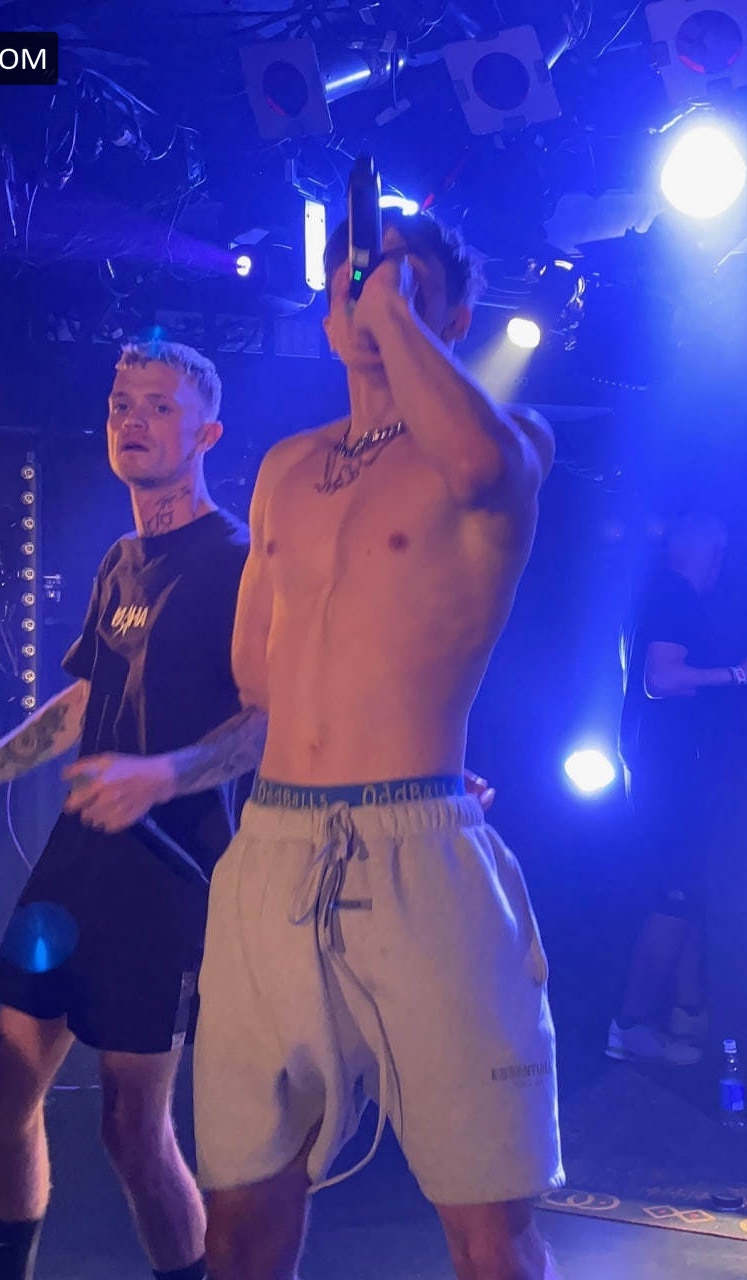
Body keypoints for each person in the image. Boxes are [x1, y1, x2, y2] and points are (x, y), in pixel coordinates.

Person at [192, 211, 563, 1280]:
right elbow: (258, 677)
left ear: (454, 314)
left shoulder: (508, 438)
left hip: (422, 850)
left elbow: (481, 467)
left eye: (405, 280)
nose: (372, 293)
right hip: (274, 848)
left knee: (489, 1235)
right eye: (353, 282)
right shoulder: (284, 466)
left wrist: (392, 313)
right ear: (324, 317)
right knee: (240, 1218)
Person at [0, 340, 267, 1280]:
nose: (132, 420)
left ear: (207, 434)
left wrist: (167, 773)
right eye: (120, 404)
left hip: (169, 872)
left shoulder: (238, 562)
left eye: (158, 405)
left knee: (131, 1128)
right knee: (1, 1086)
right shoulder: (120, 562)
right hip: (75, 866)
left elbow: (269, 720)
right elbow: (83, 698)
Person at [610, 511, 747, 1066]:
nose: (721, 566)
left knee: (686, 892)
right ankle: (629, 1025)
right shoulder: (674, 596)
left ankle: (688, 1013)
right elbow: (661, 679)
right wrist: (741, 673)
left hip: (663, 769)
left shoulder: (657, 596)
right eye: (719, 554)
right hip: (668, 774)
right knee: (674, 896)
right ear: (704, 551)